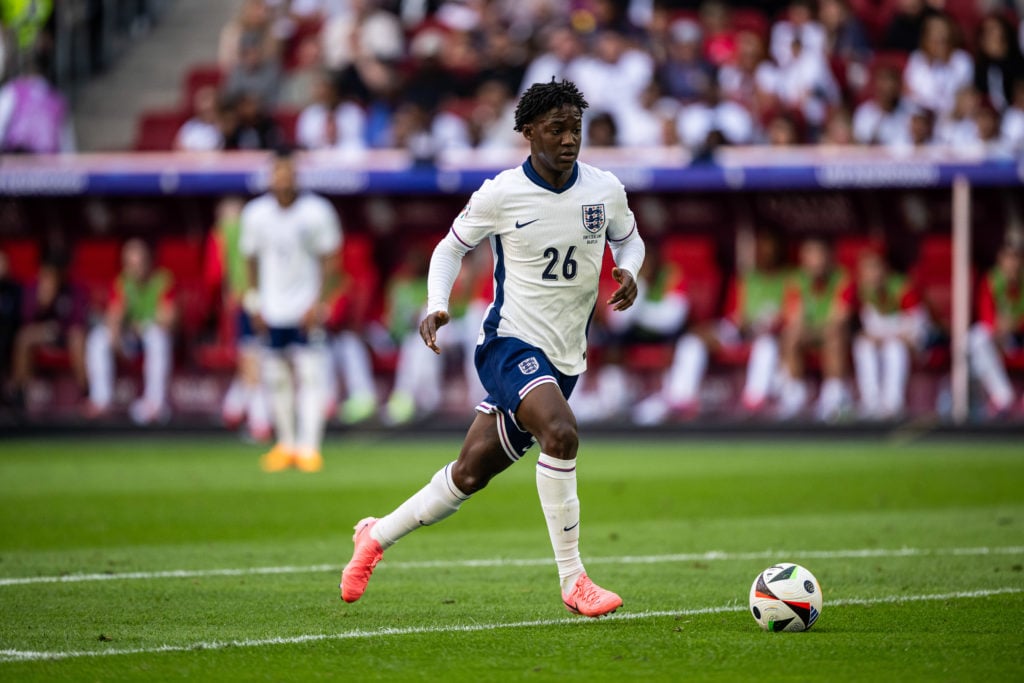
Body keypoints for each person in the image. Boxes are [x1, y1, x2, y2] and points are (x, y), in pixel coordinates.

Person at [340, 80, 645, 617]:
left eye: (576, 128)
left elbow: (629, 237)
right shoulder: (501, 193)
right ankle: (575, 580)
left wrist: (629, 270)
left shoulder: (604, 189)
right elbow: (449, 248)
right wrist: (437, 304)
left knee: (469, 473)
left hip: (565, 357)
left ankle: (374, 536)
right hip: (508, 343)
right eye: (556, 128)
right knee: (561, 432)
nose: (569, 138)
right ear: (528, 132)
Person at [240, 149, 341, 472]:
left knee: (311, 375)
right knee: (276, 378)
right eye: (277, 173)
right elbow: (250, 260)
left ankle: (309, 447)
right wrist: (254, 301)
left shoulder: (316, 211)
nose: (282, 179)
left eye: (288, 172)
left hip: (305, 307)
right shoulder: (255, 214)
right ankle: (285, 444)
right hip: (272, 308)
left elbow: (331, 260)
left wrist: (319, 302)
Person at [633, 231, 788, 423]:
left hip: (772, 336)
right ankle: (680, 399)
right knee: (692, 340)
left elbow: (790, 314)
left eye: (768, 247)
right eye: (760, 247)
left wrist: (772, 324)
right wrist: (740, 324)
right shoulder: (746, 279)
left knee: (767, 345)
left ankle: (755, 401)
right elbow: (733, 317)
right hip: (740, 331)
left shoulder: (788, 279)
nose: (763, 252)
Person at [84, 239, 176, 424]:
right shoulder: (122, 282)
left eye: (140, 263)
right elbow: (113, 316)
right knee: (98, 338)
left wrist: (142, 325)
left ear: (149, 261)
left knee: (156, 336)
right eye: (130, 264)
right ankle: (101, 400)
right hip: (130, 339)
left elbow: (169, 319)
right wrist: (116, 334)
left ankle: (154, 403)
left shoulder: (162, 280)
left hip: (153, 337)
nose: (136, 269)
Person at [203, 197, 271, 442]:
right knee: (258, 359)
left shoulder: (222, 233)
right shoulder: (264, 227)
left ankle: (260, 423)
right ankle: (232, 410)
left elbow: (213, 275)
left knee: (252, 360)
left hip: (245, 302)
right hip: (272, 302)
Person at [777, 237, 855, 421]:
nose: (816, 262)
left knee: (834, 335)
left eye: (820, 256)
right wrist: (803, 329)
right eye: (811, 257)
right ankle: (795, 396)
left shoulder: (843, 278)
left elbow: (840, 318)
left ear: (829, 258)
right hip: (810, 332)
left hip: (837, 333)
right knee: (791, 335)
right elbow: (794, 318)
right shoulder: (796, 280)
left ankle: (833, 397)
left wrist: (820, 330)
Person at [851, 250, 927, 420]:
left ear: (885, 269)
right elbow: (865, 324)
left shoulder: (902, 287)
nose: (872, 275)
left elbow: (919, 323)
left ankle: (893, 404)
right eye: (867, 270)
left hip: (913, 339)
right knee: (863, 345)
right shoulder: (863, 291)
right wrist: (873, 335)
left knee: (894, 348)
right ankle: (871, 402)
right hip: (883, 338)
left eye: (875, 268)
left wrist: (889, 336)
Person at [5, 255, 87, 409]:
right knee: (24, 337)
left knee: (78, 337)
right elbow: (26, 320)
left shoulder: (74, 290)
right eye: (45, 275)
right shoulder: (33, 289)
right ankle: (20, 392)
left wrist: (61, 328)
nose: (48, 279)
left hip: (67, 335)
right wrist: (42, 304)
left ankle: (86, 392)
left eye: (52, 275)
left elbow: (79, 321)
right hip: (43, 335)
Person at [969, 240, 1024, 416]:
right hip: (998, 336)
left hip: (1020, 336)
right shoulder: (991, 280)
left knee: (978, 361)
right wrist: (998, 328)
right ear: (1000, 260)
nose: (1012, 264)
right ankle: (1003, 397)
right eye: (1008, 258)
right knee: (975, 339)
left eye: (1016, 259)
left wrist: (1014, 325)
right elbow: (986, 315)